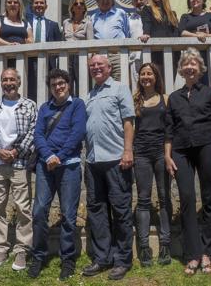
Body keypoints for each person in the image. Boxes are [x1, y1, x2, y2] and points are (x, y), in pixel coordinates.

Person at [165, 47, 211, 275]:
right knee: (187, 199)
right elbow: (169, 130)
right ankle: (193, 253)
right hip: (180, 150)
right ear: (181, 69)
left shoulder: (210, 93)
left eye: (194, 64)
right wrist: (168, 156)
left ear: (200, 69)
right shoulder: (174, 97)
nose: (190, 67)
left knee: (209, 197)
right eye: (186, 64)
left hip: (207, 146)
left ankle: (208, 251)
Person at [27, 69, 87, 280]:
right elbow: (38, 135)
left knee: (68, 217)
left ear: (68, 84)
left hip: (69, 166)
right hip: (45, 166)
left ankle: (68, 259)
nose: (58, 87)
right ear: (50, 88)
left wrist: (58, 156)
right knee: (39, 211)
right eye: (54, 85)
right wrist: (48, 155)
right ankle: (39, 256)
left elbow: (77, 133)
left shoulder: (77, 105)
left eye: (61, 83)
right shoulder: (45, 108)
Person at [81, 54, 135, 281]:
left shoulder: (120, 89)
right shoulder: (89, 95)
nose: (96, 68)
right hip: (93, 162)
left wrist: (128, 151)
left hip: (116, 159)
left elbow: (129, 121)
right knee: (97, 212)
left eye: (99, 65)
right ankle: (102, 257)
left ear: (109, 67)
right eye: (92, 66)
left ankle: (122, 260)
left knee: (121, 211)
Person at [0, 68, 37, 271]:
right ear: (1, 82)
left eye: (12, 79)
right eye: (5, 80)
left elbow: (33, 132)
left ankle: (22, 249)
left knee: (23, 207)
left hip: (20, 163)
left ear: (19, 82)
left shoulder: (29, 105)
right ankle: (0, 248)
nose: (8, 83)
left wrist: (16, 151)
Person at [132, 63, 172, 267]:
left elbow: (169, 130)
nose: (146, 76)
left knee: (164, 198)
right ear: (139, 77)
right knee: (143, 199)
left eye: (150, 73)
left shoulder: (166, 99)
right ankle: (144, 246)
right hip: (141, 154)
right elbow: (130, 128)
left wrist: (168, 154)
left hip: (161, 153)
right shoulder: (135, 100)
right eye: (143, 74)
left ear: (156, 77)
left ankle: (165, 244)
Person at [91, 0, 131, 80]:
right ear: (97, 1)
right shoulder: (93, 17)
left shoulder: (120, 13)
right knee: (102, 84)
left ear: (112, 0)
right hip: (100, 57)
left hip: (118, 55)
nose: (105, 1)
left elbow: (127, 33)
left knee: (120, 82)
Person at [26, 0, 61, 100]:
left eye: (41, 3)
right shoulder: (25, 22)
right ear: (32, 6)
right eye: (36, 3)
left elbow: (59, 44)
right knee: (30, 88)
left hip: (48, 62)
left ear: (46, 6)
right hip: (29, 61)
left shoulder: (53, 25)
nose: (39, 5)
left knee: (48, 88)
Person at [139, 0, 179, 69]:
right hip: (156, 54)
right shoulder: (147, 9)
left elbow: (176, 32)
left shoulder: (172, 13)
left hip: (173, 56)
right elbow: (147, 23)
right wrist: (146, 33)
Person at [62, 0, 93, 95]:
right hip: (67, 57)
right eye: (76, 3)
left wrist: (89, 60)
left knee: (83, 85)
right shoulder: (66, 22)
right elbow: (62, 41)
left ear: (84, 7)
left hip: (81, 57)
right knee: (67, 84)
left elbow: (91, 43)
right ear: (72, 7)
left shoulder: (88, 23)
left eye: (81, 3)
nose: (79, 5)